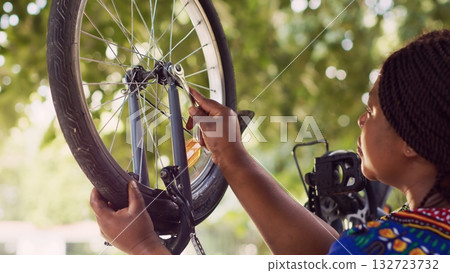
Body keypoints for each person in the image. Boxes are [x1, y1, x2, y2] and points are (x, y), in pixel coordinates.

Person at [90, 29, 450, 255]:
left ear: (411, 142)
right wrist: (230, 155)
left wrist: (144, 247)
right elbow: (326, 254)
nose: (360, 120)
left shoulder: (391, 248)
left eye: (371, 112)